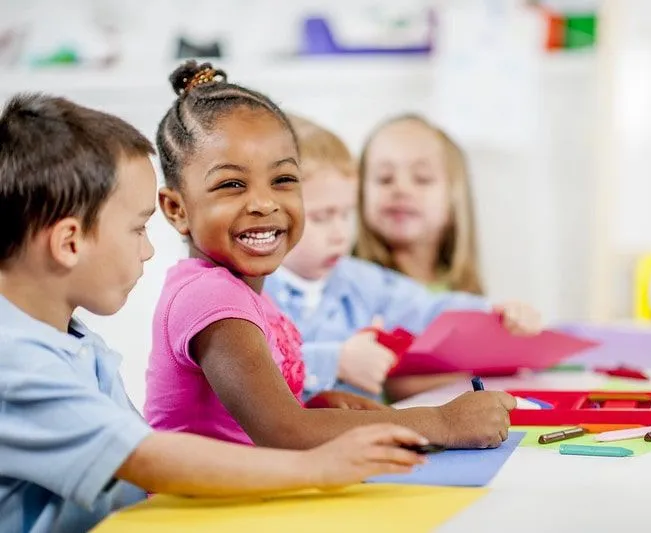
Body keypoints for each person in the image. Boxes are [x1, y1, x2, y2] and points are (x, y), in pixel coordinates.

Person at [0, 93, 428, 533]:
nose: (147, 250)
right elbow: (146, 458)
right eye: (137, 229)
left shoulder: (70, 340)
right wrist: (318, 467)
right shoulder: (16, 365)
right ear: (70, 242)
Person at [145, 61, 516, 452]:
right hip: (198, 511)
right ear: (176, 209)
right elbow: (284, 432)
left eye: (283, 179)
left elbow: (259, 421)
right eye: (232, 184)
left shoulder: (247, 292)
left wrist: (319, 406)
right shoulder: (211, 298)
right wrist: (442, 421)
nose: (264, 203)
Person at [265, 115, 541, 402]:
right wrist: (335, 362)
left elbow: (427, 309)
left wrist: (494, 313)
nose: (340, 234)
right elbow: (247, 366)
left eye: (346, 214)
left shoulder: (361, 279)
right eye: (322, 217)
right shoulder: (254, 289)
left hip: (361, 437)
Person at [355, 114, 483, 294]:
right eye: (384, 178)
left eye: (422, 178)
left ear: (454, 197)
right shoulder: (348, 289)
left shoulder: (465, 299)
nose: (401, 188)